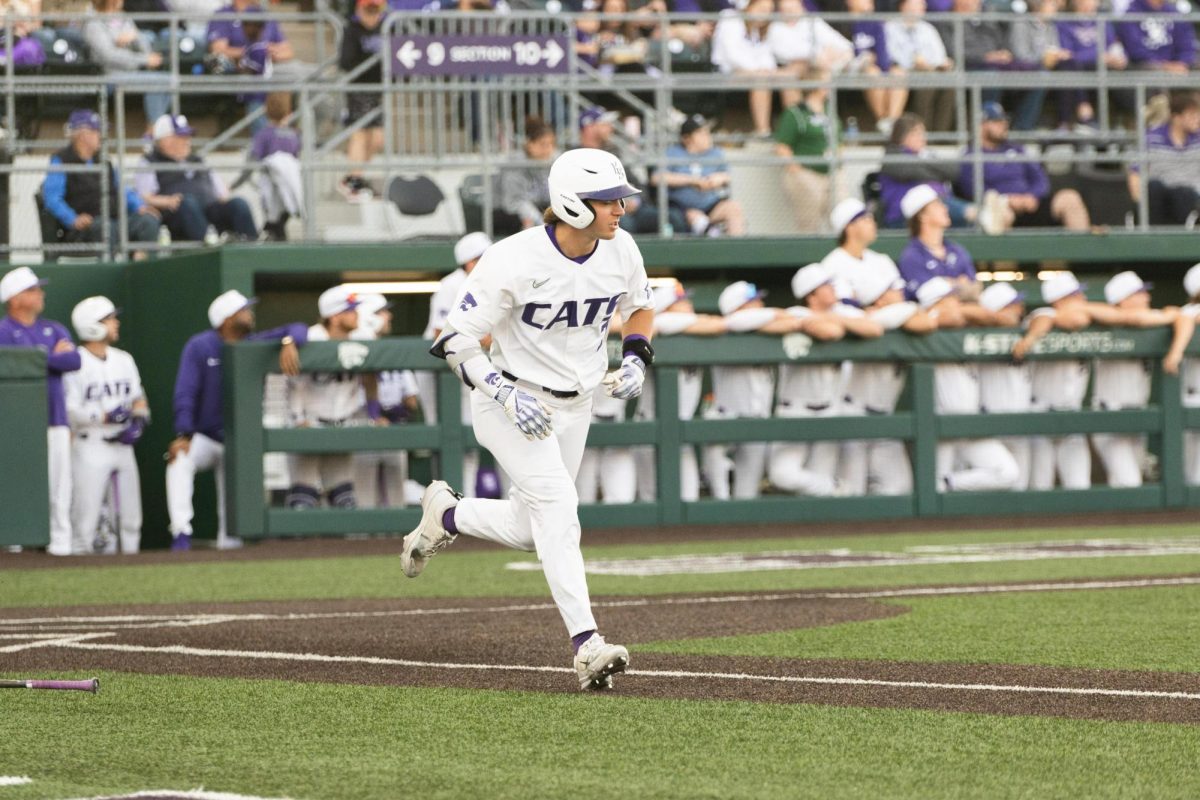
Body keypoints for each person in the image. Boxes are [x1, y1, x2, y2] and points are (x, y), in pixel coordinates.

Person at [403, 148, 654, 692]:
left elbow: (640, 308)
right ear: (573, 203)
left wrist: (636, 356)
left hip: (577, 403)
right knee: (560, 507)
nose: (621, 209)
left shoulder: (622, 249)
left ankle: (448, 515)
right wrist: (496, 386)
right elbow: (455, 339)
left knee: (529, 527)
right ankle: (587, 646)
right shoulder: (512, 257)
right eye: (610, 200)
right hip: (509, 401)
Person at [167, 289, 306, 551]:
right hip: (205, 437)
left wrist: (289, 341)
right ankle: (181, 534)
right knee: (178, 461)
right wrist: (183, 434)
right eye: (243, 310)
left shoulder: (255, 342)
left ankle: (229, 549)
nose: (249, 314)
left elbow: (298, 328)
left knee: (232, 510)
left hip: (239, 439)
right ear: (226, 319)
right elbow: (185, 393)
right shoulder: (200, 345)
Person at [768, 264, 883, 496]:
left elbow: (874, 328)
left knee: (817, 488)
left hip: (829, 411)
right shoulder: (797, 312)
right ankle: (840, 489)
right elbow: (829, 333)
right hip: (795, 411)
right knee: (781, 475)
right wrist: (828, 322)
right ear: (811, 294)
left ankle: (827, 512)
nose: (832, 289)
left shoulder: (841, 313)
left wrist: (838, 319)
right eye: (826, 286)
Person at [0, 267, 80, 556]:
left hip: (55, 418)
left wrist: (35, 357)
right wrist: (48, 355)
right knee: (15, 480)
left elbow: (72, 360)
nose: (40, 294)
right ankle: (14, 539)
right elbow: (8, 364)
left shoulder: (54, 328)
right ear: (15, 298)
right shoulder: (3, 331)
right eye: (32, 290)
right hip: (15, 422)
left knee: (60, 484)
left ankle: (60, 542)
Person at [836, 264, 936, 496]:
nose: (900, 293)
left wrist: (907, 310)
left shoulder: (897, 318)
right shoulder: (853, 317)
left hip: (885, 418)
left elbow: (926, 322)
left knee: (899, 488)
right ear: (879, 299)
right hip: (854, 415)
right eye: (892, 290)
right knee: (852, 492)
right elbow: (871, 325)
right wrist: (908, 309)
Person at [918, 276, 1020, 493]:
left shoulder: (966, 324)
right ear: (938, 300)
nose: (958, 299)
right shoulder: (930, 319)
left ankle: (949, 483)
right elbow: (953, 316)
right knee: (929, 493)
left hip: (970, 426)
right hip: (940, 427)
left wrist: (989, 317)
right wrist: (990, 315)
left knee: (1008, 473)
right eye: (952, 296)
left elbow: (1003, 319)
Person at [704, 280, 804, 500]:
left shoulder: (765, 330)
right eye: (753, 300)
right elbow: (736, 321)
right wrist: (775, 315)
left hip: (758, 420)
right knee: (717, 479)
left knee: (747, 494)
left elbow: (791, 324)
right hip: (725, 418)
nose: (760, 303)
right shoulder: (727, 330)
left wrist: (775, 319)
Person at [63, 297, 148, 555]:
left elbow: (138, 398)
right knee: (85, 519)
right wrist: (106, 416)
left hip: (122, 444)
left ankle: (132, 568)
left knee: (131, 518)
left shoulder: (124, 359)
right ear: (92, 325)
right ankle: (78, 573)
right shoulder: (74, 362)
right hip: (90, 443)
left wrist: (140, 420)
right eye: (109, 318)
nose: (115, 323)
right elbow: (71, 410)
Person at [633, 280, 726, 503]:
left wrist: (687, 322)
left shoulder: (689, 329)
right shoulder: (657, 327)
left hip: (681, 429)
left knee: (689, 496)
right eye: (681, 301)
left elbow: (717, 325)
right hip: (649, 427)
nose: (688, 303)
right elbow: (655, 323)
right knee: (650, 499)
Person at [418, 231, 493, 497]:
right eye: (484, 256)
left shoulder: (491, 283)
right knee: (446, 439)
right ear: (470, 261)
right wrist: (486, 338)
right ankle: (449, 502)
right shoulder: (452, 284)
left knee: (472, 438)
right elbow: (440, 331)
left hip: (472, 365)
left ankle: (466, 502)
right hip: (440, 370)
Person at [1087, 272, 1177, 487]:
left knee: (1131, 482)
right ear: (1122, 300)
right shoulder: (1105, 321)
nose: (1146, 297)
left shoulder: (1151, 320)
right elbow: (1130, 318)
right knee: (1129, 482)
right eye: (1139, 293)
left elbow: (1179, 316)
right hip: (1111, 415)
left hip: (1139, 416)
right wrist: (1166, 316)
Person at [286, 286, 366, 510]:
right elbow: (294, 385)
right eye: (350, 310)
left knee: (345, 499)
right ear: (334, 316)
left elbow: (370, 380)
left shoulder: (361, 338)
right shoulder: (310, 339)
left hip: (344, 422)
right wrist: (297, 418)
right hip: (310, 421)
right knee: (303, 500)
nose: (356, 314)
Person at [42, 109, 162, 258]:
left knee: (148, 221)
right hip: (86, 226)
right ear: (83, 135)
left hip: (115, 217)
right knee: (106, 228)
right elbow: (52, 198)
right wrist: (72, 218)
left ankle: (142, 269)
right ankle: (109, 273)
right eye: (96, 131)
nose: (101, 136)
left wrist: (139, 206)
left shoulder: (104, 161)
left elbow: (122, 189)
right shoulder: (61, 160)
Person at [959, 101, 1092, 231]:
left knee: (1069, 198)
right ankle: (1006, 254)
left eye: (1004, 120)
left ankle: (1084, 251)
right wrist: (1008, 199)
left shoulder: (1017, 149)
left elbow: (1040, 178)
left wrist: (1031, 196)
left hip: (1030, 204)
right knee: (1000, 214)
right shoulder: (972, 155)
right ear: (982, 125)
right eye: (997, 121)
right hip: (1001, 206)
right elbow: (972, 189)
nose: (1004, 125)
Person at [137, 114, 260, 243]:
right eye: (181, 136)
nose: (187, 140)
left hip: (209, 209)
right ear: (165, 140)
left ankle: (253, 249)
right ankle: (210, 246)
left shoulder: (198, 160)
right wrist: (168, 201)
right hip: (178, 215)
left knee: (238, 204)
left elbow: (222, 192)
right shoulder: (150, 161)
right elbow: (143, 196)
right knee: (188, 202)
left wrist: (224, 197)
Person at [879, 113, 1002, 232]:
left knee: (963, 222)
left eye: (923, 133)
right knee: (933, 202)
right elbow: (914, 172)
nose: (922, 138)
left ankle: (985, 215)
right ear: (902, 136)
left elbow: (954, 171)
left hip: (940, 210)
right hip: (904, 216)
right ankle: (982, 214)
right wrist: (936, 171)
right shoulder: (892, 157)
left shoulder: (926, 155)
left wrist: (924, 162)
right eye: (916, 133)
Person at [578, 105, 683, 235]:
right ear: (589, 128)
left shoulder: (614, 152)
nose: (610, 127)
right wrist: (616, 204)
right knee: (626, 225)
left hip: (632, 207)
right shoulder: (574, 157)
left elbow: (635, 182)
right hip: (602, 211)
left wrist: (636, 200)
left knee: (673, 217)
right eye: (604, 124)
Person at [976, 282, 1034, 489]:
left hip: (1021, 423)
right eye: (1013, 304)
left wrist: (1028, 340)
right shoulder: (976, 332)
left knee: (1021, 488)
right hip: (988, 425)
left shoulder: (1028, 330)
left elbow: (1046, 316)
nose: (1020, 308)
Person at [206, 0, 295, 130]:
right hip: (243, 71)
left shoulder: (265, 14)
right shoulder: (224, 14)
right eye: (246, 25)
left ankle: (287, 136)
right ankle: (265, 139)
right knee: (255, 86)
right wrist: (253, 51)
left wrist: (266, 51)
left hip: (272, 68)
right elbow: (218, 49)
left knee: (298, 76)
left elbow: (288, 51)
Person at [711, 0, 795, 137]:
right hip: (726, 72)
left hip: (752, 72)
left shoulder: (758, 30)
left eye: (768, 11)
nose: (765, 14)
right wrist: (758, 70)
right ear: (748, 7)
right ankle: (763, 132)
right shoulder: (730, 18)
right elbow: (732, 54)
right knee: (761, 80)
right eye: (762, 9)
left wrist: (771, 71)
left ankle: (793, 130)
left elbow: (766, 56)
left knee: (788, 78)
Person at [82, 0, 169, 128]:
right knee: (158, 82)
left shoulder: (124, 17)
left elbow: (144, 46)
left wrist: (136, 38)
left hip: (132, 72)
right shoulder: (94, 23)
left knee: (171, 80)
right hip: (108, 74)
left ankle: (155, 127)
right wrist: (143, 60)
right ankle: (153, 130)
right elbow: (109, 55)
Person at [659, 114, 746, 236]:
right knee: (695, 217)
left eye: (707, 132)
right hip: (683, 208)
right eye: (701, 133)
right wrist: (693, 181)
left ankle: (737, 249)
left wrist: (716, 179)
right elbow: (657, 178)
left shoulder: (715, 153)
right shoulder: (673, 152)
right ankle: (712, 237)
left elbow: (727, 175)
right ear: (686, 138)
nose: (707, 137)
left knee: (733, 208)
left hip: (710, 205)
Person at [337, 0, 387, 202]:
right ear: (360, 9)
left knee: (377, 139)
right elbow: (346, 61)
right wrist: (370, 61)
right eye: (369, 9)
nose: (373, 14)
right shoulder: (352, 30)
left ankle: (353, 177)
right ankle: (355, 181)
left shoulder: (386, 28)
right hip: (358, 88)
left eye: (376, 9)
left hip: (377, 90)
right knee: (360, 135)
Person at [896, 184, 981, 301]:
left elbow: (976, 288)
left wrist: (950, 284)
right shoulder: (912, 256)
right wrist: (959, 285)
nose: (945, 208)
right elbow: (929, 297)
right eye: (937, 204)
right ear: (922, 215)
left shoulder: (956, 249)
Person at [1128, 91, 1200, 227]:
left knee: (1183, 194)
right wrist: (1137, 202)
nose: (1198, 119)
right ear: (1176, 117)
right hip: (1160, 195)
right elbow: (1135, 173)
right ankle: (1151, 237)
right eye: (1192, 115)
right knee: (1154, 187)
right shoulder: (1151, 137)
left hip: (1190, 195)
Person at [773, 82, 835, 233]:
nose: (828, 86)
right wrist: (796, 170)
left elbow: (839, 140)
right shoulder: (796, 112)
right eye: (824, 82)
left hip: (832, 173)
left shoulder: (830, 110)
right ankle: (809, 256)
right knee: (809, 225)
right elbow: (782, 146)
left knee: (841, 219)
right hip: (807, 173)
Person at [1054, 0, 1126, 129]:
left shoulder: (1103, 21)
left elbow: (1113, 45)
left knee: (1126, 72)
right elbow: (1068, 55)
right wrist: (1098, 56)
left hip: (1104, 66)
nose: (1091, 3)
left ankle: (1124, 124)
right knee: (1069, 68)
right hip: (1078, 67)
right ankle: (1080, 115)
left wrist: (1119, 58)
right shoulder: (1064, 23)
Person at [885, 0, 954, 132]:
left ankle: (940, 134)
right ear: (903, 6)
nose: (922, 8)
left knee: (950, 85)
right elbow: (891, 55)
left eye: (922, 5)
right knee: (927, 83)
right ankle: (922, 132)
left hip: (932, 70)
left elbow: (940, 56)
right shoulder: (890, 27)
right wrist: (913, 63)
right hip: (904, 71)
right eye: (916, 4)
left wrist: (940, 63)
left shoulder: (928, 29)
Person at [1162, 263, 1200, 485]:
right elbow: (1188, 317)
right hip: (1192, 398)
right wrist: (1175, 352)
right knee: (1192, 477)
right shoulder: (1188, 312)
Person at [846, 0, 907, 134]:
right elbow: (844, 48)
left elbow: (883, 56)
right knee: (872, 73)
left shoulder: (874, 23)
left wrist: (879, 64)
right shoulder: (842, 21)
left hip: (877, 68)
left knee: (898, 73)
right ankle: (885, 122)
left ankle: (891, 122)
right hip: (851, 69)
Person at [247, 92, 302, 241]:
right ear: (289, 111)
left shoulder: (264, 134)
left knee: (274, 225)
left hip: (271, 189)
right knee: (279, 226)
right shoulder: (294, 135)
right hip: (290, 189)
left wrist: (234, 185)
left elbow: (252, 160)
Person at [492, 115, 557, 236]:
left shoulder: (556, 161)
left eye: (551, 144)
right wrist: (543, 223)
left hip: (537, 210)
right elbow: (513, 202)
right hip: (506, 214)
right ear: (529, 143)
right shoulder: (515, 164)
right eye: (542, 144)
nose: (548, 149)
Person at [767, 0, 853, 89]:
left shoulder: (812, 21)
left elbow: (844, 44)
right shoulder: (775, 27)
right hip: (789, 69)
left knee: (824, 71)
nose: (791, 9)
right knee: (794, 71)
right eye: (787, 7)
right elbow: (784, 53)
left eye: (794, 5)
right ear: (780, 9)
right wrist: (817, 55)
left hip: (822, 67)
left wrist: (829, 52)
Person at [1116, 0, 1195, 75]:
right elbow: (1136, 51)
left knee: (1195, 68)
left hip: (1178, 65)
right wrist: (1165, 66)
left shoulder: (1174, 12)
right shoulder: (1132, 13)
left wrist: (1182, 62)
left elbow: (1187, 45)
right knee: (1152, 70)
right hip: (1146, 65)